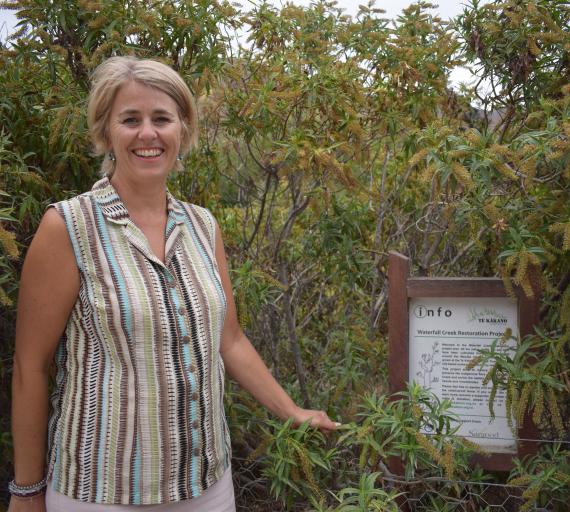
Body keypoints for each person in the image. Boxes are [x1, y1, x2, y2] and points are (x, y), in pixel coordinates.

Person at [9, 56, 338, 512]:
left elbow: (231, 340)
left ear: (183, 129)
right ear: (106, 133)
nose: (148, 133)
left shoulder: (203, 226)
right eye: (130, 120)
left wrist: (292, 411)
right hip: (101, 492)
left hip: (207, 487)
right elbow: (31, 367)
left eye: (161, 118)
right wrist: (26, 492)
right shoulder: (67, 227)